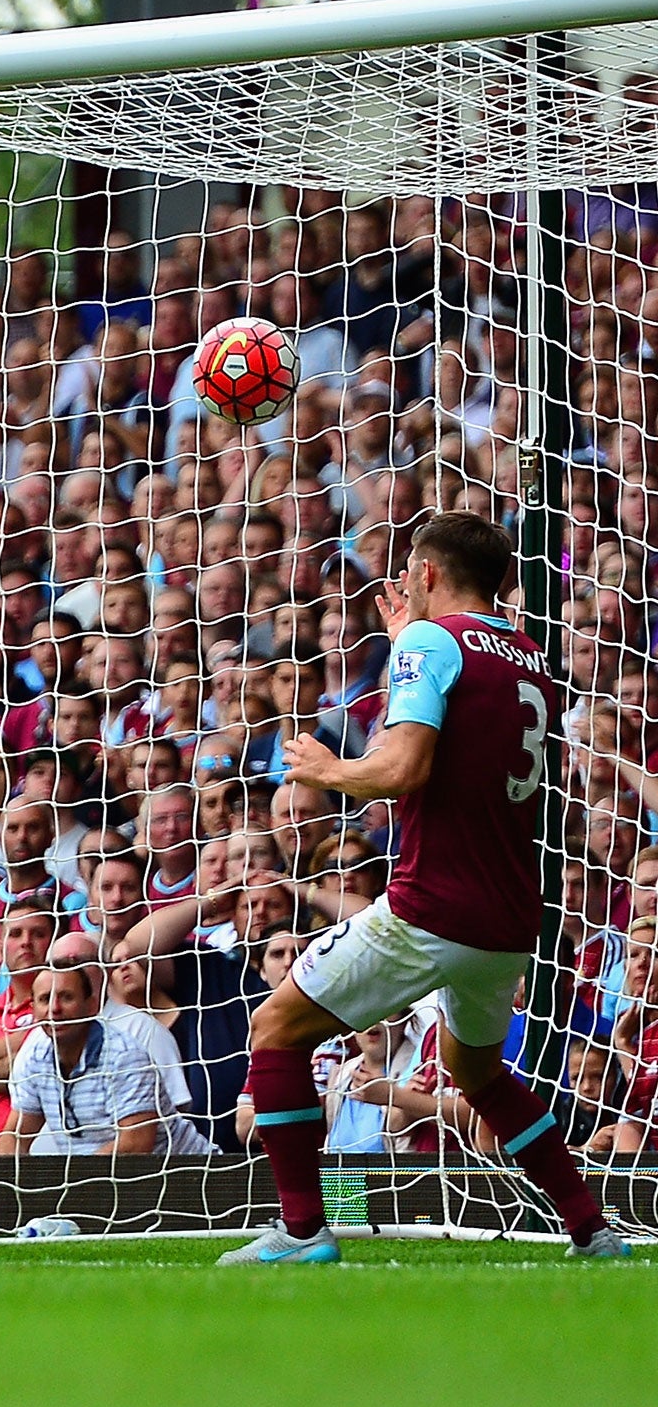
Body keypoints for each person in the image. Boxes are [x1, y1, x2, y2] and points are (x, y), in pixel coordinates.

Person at [225, 514, 624, 1264]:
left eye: (409, 570)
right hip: (507, 916)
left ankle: (303, 1231)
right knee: (476, 1072)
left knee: (275, 1029)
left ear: (429, 573)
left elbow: (403, 768)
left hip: (431, 904)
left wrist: (325, 770)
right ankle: (592, 1230)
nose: (401, 584)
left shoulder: (427, 643)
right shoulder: (530, 656)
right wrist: (414, 640)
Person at [0, 965, 163, 1155]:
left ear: (92, 1006)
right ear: (33, 1010)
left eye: (67, 997)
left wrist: (71, 1181)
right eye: (45, 999)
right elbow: (14, 1136)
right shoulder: (35, 1057)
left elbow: (136, 1144)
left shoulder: (124, 1057)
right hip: (90, 1177)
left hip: (180, 1174)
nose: (54, 1008)